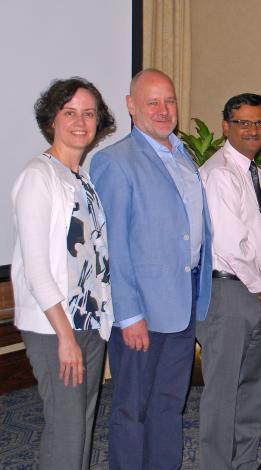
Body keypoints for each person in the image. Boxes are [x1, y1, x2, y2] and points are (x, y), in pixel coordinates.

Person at [90, 68, 213, 469]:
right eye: (152, 102)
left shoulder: (182, 155)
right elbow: (114, 249)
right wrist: (129, 315)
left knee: (168, 405)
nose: (163, 110)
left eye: (169, 101)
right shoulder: (114, 161)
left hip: (182, 303)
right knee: (133, 408)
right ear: (131, 106)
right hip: (141, 311)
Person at [11, 77, 115, 469]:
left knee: (79, 427)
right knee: (68, 432)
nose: (80, 121)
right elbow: (38, 269)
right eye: (69, 112)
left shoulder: (79, 178)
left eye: (88, 113)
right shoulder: (38, 176)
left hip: (86, 323)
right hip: (55, 328)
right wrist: (65, 336)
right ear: (51, 119)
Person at [197, 93, 261, 470]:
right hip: (228, 292)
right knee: (222, 392)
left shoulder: (254, 173)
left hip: (254, 291)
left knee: (251, 388)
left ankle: (244, 462)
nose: (253, 130)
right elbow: (230, 244)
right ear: (225, 127)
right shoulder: (218, 174)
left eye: (259, 123)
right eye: (243, 122)